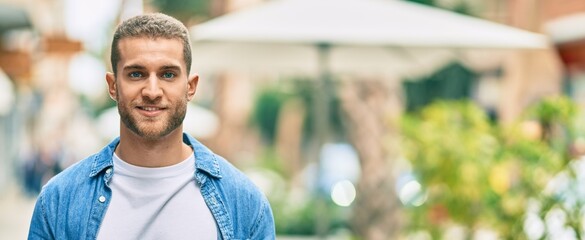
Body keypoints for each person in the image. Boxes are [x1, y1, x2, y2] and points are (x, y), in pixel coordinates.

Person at [28, 13, 275, 240]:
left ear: (191, 86)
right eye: (136, 74)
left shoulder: (245, 204)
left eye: (168, 74)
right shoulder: (59, 201)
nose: (152, 91)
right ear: (113, 85)